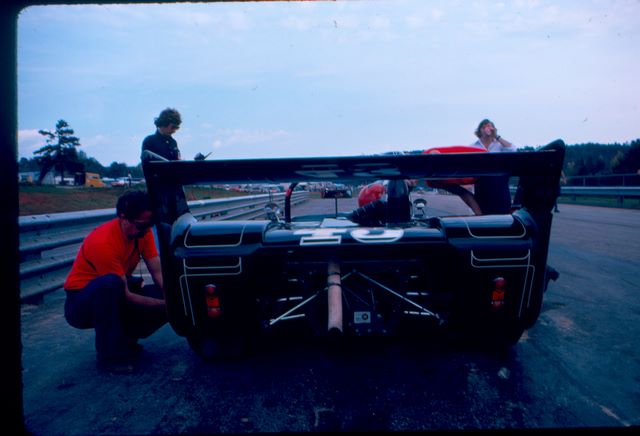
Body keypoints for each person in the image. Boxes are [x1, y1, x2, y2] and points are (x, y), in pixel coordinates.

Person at [63, 190, 168, 373]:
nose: (145, 230)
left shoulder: (143, 232)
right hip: (80, 303)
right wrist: (166, 306)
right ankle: (110, 357)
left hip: (114, 292)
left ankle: (126, 340)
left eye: (149, 225)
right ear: (123, 217)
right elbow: (126, 296)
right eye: (141, 225)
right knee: (111, 285)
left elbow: (158, 272)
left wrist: (173, 299)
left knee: (165, 293)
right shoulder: (102, 242)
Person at [469, 118, 514, 215]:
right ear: (479, 130)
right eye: (484, 127)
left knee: (503, 212)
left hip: (499, 183)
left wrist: (496, 136)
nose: (487, 128)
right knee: (483, 212)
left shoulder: (500, 144)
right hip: (481, 183)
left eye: (490, 126)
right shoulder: (473, 146)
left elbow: (513, 150)